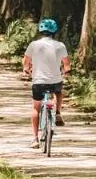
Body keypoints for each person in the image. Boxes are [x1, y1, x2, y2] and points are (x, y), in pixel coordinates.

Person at [23, 19, 71, 148]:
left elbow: (26, 61)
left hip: (38, 82)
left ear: (40, 30)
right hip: (55, 81)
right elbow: (66, 65)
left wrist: (26, 69)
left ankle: (34, 138)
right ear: (54, 31)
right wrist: (66, 71)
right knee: (58, 92)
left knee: (35, 108)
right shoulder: (60, 46)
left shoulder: (33, 45)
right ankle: (58, 112)